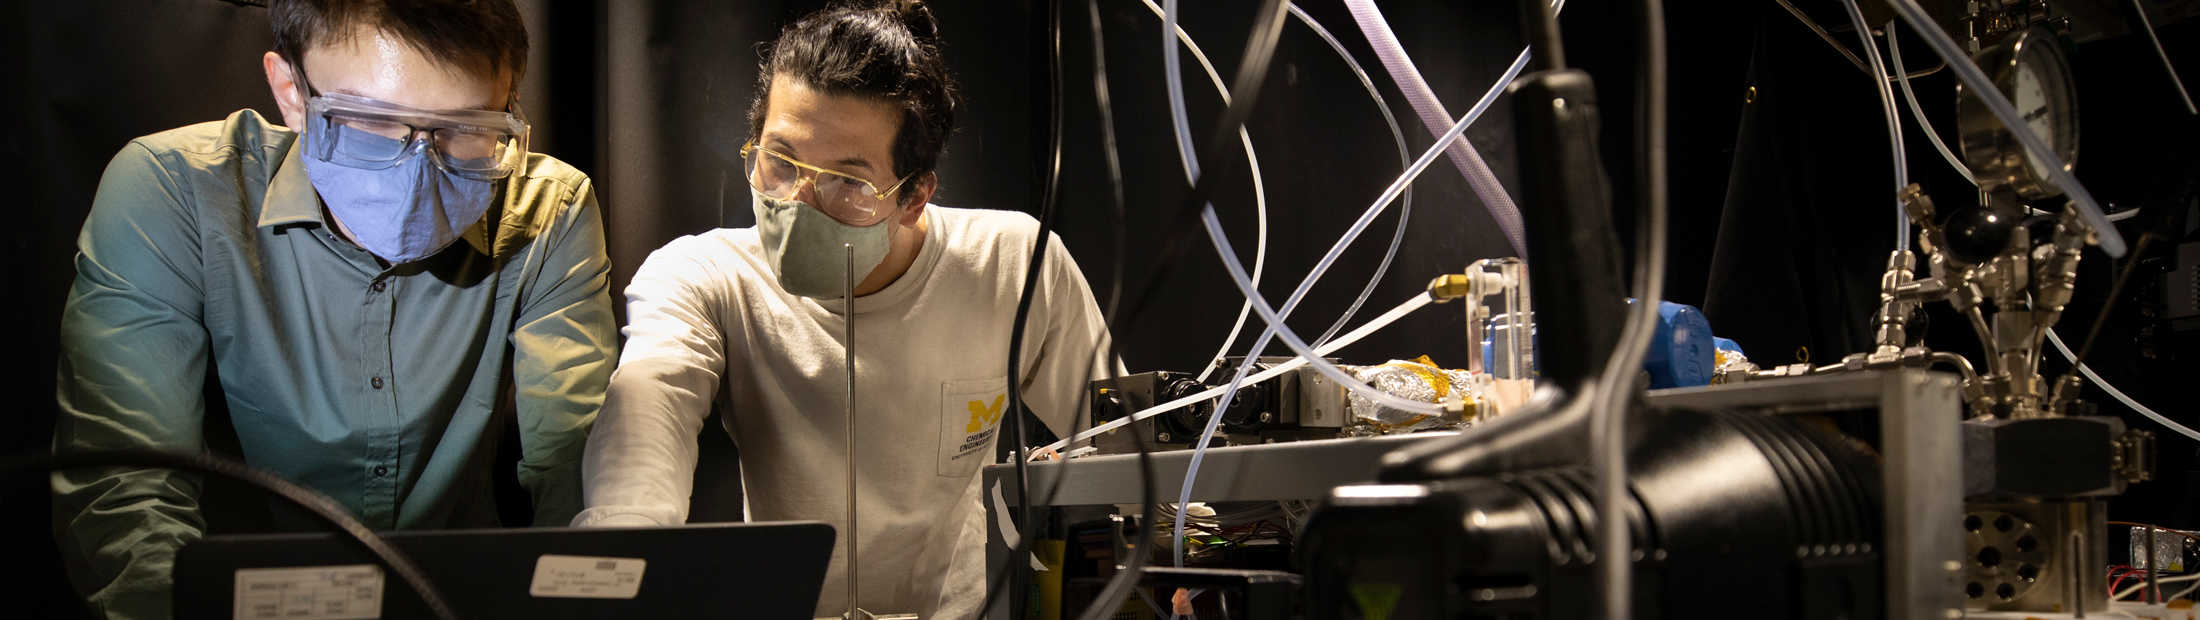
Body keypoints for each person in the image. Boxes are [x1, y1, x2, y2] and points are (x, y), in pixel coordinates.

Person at [50, 1, 617, 617]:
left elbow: (577, 472)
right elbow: (128, 491)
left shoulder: (548, 211)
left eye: (466, 129)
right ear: (291, 91)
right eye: (366, 121)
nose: (418, 171)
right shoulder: (174, 189)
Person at [572, 1, 1113, 617]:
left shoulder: (1013, 263)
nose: (800, 201)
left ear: (915, 197)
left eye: (849, 182)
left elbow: (1128, 447)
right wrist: (614, 572)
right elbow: (643, 433)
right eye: (780, 161)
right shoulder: (703, 276)